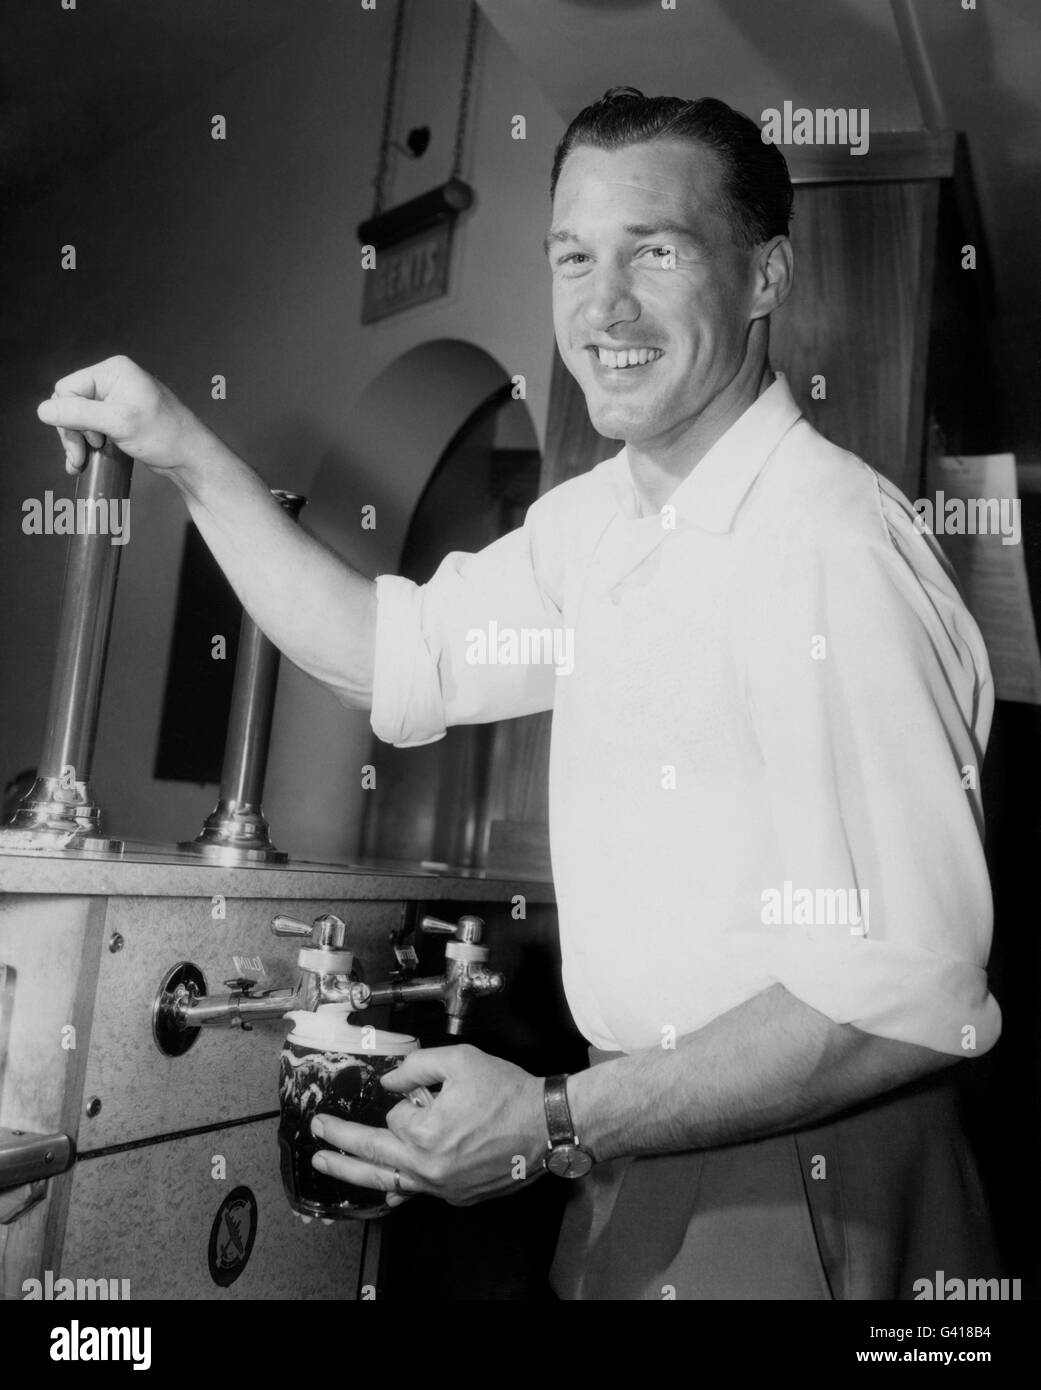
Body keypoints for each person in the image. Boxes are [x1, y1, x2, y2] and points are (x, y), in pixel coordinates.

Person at [38, 89, 1001, 1300]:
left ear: (766, 276)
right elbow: (389, 651)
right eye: (573, 257)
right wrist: (180, 443)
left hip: (802, 1182)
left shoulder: (831, 545)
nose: (603, 309)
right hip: (634, 1147)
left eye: (656, 251)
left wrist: (551, 1117)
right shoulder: (600, 524)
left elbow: (908, 997)